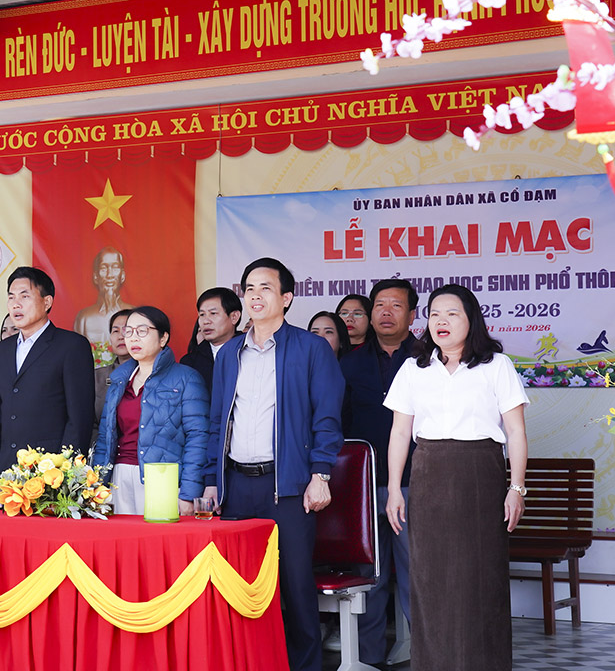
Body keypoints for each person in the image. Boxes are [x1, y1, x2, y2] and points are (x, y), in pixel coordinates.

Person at [204, 258, 343, 671]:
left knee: (296, 587)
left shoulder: (310, 349)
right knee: (237, 586)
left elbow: (327, 418)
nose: (255, 295)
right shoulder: (229, 354)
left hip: (288, 486)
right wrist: (212, 480)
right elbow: (217, 422)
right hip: (235, 486)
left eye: (265, 288)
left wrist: (320, 474)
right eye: (249, 288)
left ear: (286, 298)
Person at [385, 284, 528, 671]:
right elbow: (400, 432)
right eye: (435, 314)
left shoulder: (496, 365)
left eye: (452, 313)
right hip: (428, 475)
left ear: (471, 320)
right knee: (430, 578)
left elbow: (516, 431)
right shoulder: (414, 368)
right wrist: (395, 488)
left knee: (479, 577)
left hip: (480, 474)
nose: (441, 321)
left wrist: (516, 488)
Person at [338, 279, 419, 665]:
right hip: (364, 487)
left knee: (417, 574)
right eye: (380, 305)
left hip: (414, 484)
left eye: (396, 305)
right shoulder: (349, 363)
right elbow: (338, 422)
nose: (386, 312)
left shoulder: (428, 360)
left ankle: (428, 655)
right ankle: (368, 659)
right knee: (369, 576)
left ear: (413, 315)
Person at [0, 266, 96, 486]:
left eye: (24, 296)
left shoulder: (71, 346)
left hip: (50, 474)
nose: (16, 304)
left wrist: (65, 476)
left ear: (47, 302)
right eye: (11, 297)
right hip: (7, 474)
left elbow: (79, 419)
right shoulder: (1, 351)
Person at [92, 306, 208, 515]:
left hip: (163, 478)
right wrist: (96, 485)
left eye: (142, 331)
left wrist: (188, 493)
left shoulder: (186, 378)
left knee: (159, 534)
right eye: (129, 331)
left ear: (163, 338)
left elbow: (198, 438)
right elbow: (104, 438)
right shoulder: (119, 381)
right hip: (118, 477)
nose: (133, 337)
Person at [73, 247, 134, 360]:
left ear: (122, 275)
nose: (109, 275)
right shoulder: (84, 318)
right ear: (96, 277)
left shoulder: (135, 315)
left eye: (115, 268)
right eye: (103, 268)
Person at [181, 287, 243, 396]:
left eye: (213, 313)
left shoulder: (249, 353)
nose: (206, 321)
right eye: (202, 315)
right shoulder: (189, 362)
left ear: (234, 317)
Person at [92, 308, 133, 446]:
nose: (120, 336)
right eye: (115, 331)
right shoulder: (97, 376)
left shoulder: (150, 374)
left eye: (126, 330)